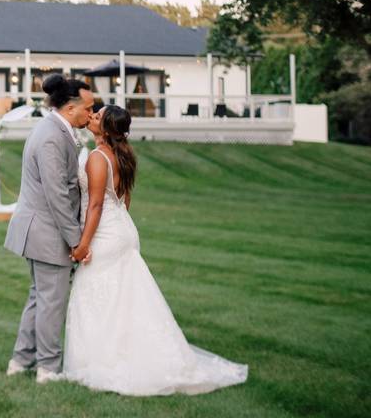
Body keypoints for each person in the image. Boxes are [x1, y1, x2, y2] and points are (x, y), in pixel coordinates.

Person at [63, 105, 249, 394]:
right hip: (122, 229)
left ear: (108, 129)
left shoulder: (98, 159)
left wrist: (83, 244)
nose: (92, 117)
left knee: (99, 293)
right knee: (124, 296)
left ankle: (105, 360)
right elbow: (124, 199)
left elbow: (96, 206)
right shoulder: (121, 156)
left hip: (105, 234)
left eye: (98, 116)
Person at [3, 74, 95, 384]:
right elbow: (57, 194)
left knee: (39, 298)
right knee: (51, 302)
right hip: (46, 231)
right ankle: (48, 368)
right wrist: (76, 241)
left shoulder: (55, 129)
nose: (92, 114)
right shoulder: (53, 137)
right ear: (71, 108)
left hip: (38, 228)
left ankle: (21, 360)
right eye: (89, 108)